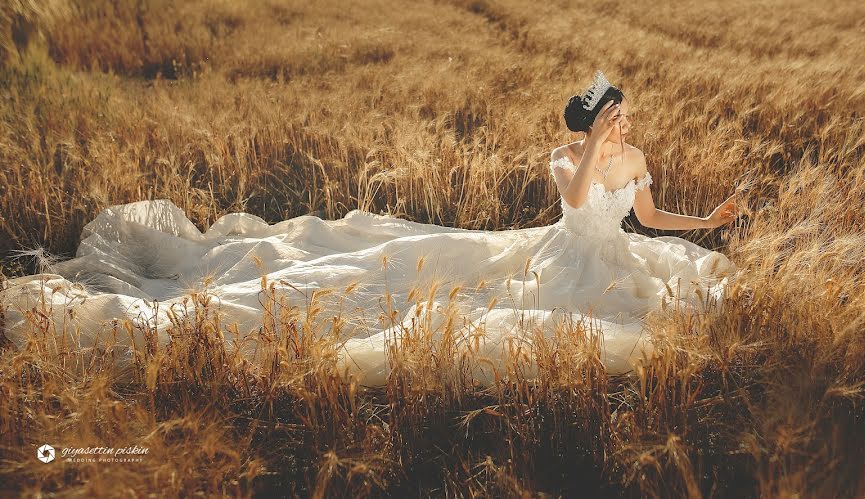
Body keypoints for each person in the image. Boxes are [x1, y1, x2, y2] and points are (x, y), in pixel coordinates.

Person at [0, 71, 741, 387]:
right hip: (564, 252)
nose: (628, 124)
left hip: (617, 255)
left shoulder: (639, 156)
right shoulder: (564, 157)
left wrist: (702, 222)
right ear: (596, 118)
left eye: (625, 115)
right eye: (618, 114)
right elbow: (579, 202)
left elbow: (645, 219)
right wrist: (589, 146)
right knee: (426, 281)